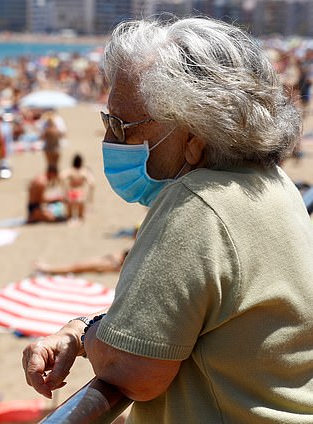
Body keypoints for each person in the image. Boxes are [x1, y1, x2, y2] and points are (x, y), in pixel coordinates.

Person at [22, 17, 313, 423]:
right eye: (108, 123)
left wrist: (86, 335)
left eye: (122, 126)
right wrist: (81, 332)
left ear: (194, 135)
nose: (110, 142)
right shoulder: (274, 184)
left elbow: (134, 370)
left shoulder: (195, 205)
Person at [60, 153, 95, 223]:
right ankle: (79, 220)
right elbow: (92, 183)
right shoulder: (84, 171)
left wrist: (64, 189)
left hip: (71, 193)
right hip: (80, 193)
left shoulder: (70, 170)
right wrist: (90, 196)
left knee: (69, 216)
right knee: (81, 216)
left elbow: (61, 177)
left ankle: (70, 220)